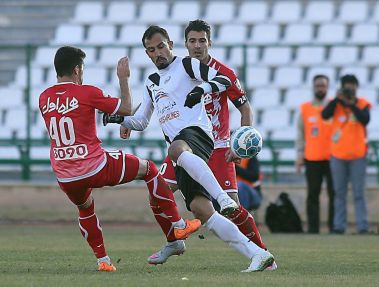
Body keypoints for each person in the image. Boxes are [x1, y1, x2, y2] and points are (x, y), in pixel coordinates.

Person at [105, 25, 274, 272]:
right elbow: (141, 120)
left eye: (201, 40)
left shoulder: (189, 65)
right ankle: (256, 254)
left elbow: (232, 91)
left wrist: (239, 140)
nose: (197, 45)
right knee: (190, 205)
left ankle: (225, 201)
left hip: (208, 141)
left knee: (230, 205)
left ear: (171, 45)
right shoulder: (152, 82)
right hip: (183, 147)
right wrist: (119, 118)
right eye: (151, 50)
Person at [38, 46, 202, 272]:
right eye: (82, 70)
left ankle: (103, 260)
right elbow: (125, 108)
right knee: (149, 169)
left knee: (85, 209)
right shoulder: (86, 92)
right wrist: (123, 79)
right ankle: (178, 224)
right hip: (95, 165)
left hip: (65, 174)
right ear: (77, 70)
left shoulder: (44, 97)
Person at [321, 74, 371, 234]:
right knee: (339, 193)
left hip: (358, 156)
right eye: (347, 86)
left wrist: (351, 103)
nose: (350, 89)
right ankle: (339, 226)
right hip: (338, 156)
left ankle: (362, 226)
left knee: (358, 193)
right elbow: (324, 115)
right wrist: (338, 99)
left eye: (352, 86)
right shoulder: (336, 104)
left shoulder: (363, 104)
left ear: (356, 87)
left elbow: (365, 119)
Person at [295, 75, 334, 233]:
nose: (320, 88)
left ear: (327, 87)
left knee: (334, 194)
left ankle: (334, 227)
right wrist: (299, 155)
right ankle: (313, 229)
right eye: (318, 85)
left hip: (333, 158)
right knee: (312, 195)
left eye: (323, 86)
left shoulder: (334, 107)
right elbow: (300, 134)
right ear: (313, 87)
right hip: (312, 158)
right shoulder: (305, 109)